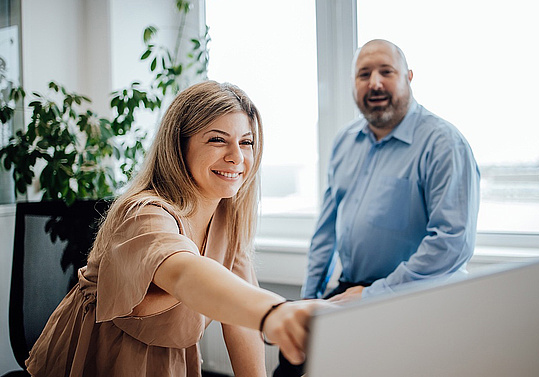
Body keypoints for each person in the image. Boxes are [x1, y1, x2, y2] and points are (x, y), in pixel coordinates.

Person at [25, 81, 329, 377]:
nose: (236, 156)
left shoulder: (227, 217)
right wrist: (273, 312)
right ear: (179, 146)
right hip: (105, 358)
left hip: (171, 362)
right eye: (217, 140)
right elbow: (185, 272)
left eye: (246, 142)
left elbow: (241, 323)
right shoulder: (144, 213)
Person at [273, 39, 480, 376]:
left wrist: (374, 295)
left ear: (408, 77)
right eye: (364, 74)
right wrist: (305, 302)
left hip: (414, 298)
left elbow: (452, 242)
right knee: (292, 366)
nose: (375, 83)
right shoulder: (344, 141)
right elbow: (326, 230)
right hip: (350, 288)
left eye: (386, 71)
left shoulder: (444, 144)